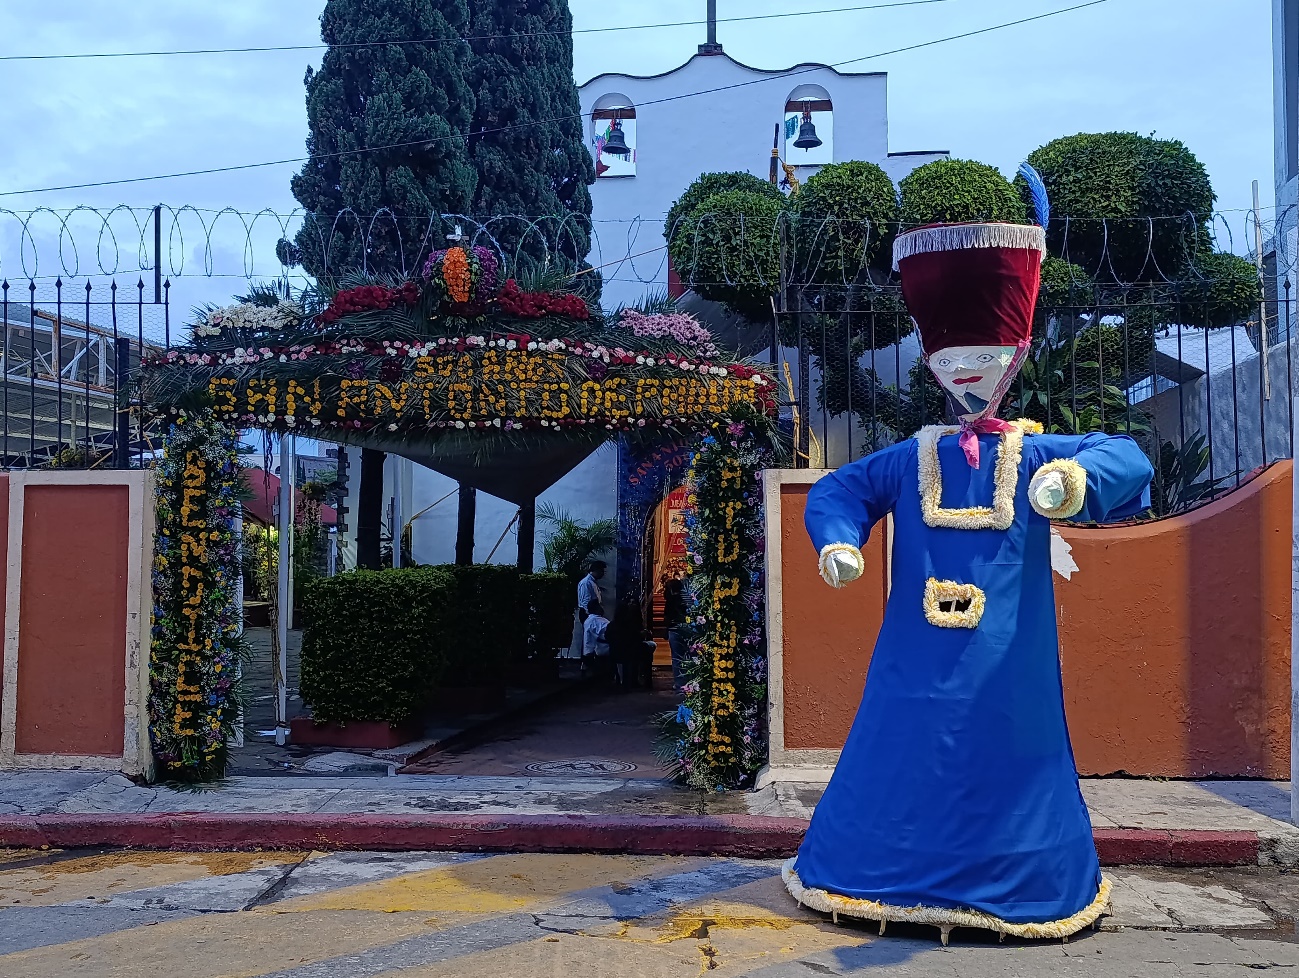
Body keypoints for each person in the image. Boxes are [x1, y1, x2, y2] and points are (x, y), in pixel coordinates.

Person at [784, 172, 1154, 944]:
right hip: (912, 661)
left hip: (1007, 660)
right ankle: (878, 873)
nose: (966, 369)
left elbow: (1125, 457)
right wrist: (839, 541)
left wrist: (1074, 481)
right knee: (900, 748)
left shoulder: (1035, 452)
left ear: (1014, 355)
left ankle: (1013, 881)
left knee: (1006, 748)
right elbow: (840, 490)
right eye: (952, 357)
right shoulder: (909, 456)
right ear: (932, 361)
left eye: (983, 355)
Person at [662, 572, 688, 691]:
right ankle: (688, 682)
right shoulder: (685, 599)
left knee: (676, 657)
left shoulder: (670, 600)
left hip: (674, 629)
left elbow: (667, 616)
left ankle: (679, 683)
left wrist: (666, 628)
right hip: (686, 629)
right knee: (687, 655)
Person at [581, 601, 612, 676]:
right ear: (597, 608)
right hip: (602, 651)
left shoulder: (588, 621)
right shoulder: (600, 622)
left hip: (590, 652)